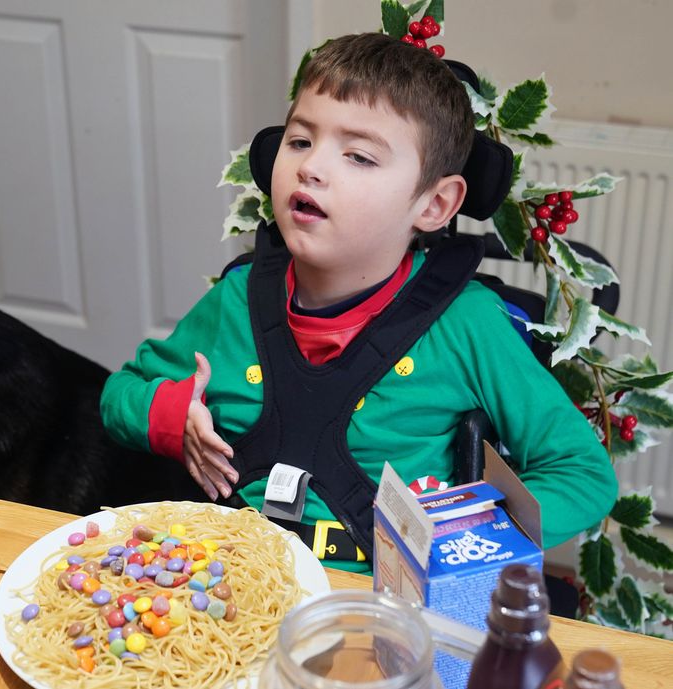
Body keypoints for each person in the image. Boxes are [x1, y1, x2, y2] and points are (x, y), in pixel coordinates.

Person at [100, 32, 617, 574]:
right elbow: (121, 394)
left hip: (375, 610)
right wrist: (172, 416)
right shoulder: (236, 300)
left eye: (359, 156)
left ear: (436, 203)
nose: (311, 167)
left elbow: (582, 474)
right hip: (229, 584)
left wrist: (458, 541)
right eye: (300, 141)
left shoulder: (467, 325)